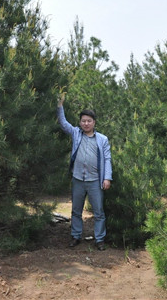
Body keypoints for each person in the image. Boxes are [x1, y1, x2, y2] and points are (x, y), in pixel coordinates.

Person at [57, 93, 112, 251]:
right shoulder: (76, 133)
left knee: (99, 212)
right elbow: (62, 123)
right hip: (78, 180)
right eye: (83, 121)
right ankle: (75, 236)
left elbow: (107, 159)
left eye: (89, 121)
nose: (86, 123)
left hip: (95, 180)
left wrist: (107, 178)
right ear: (80, 123)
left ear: (94, 122)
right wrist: (60, 106)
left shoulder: (102, 139)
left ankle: (99, 239)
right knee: (76, 210)